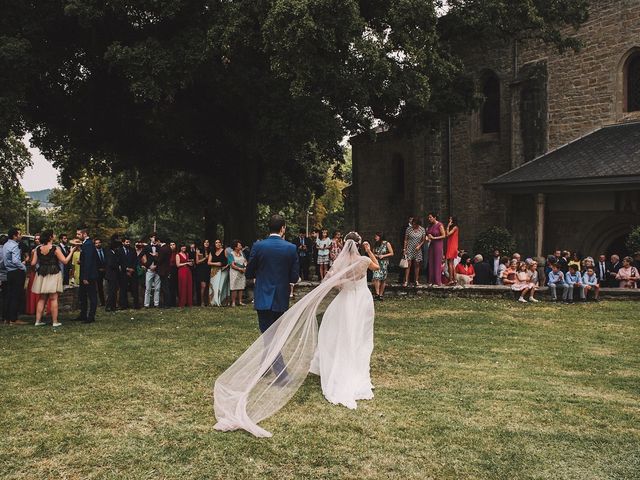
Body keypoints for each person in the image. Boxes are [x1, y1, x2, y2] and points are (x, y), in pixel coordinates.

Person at [214, 229, 378, 438]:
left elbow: (251, 272)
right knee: (355, 337)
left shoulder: (260, 246)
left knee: (271, 333)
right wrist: (368, 253)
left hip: (271, 295)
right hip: (357, 301)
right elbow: (295, 275)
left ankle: (272, 365)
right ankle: (276, 366)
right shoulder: (362, 260)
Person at [30, 230, 75, 327]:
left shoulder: (38, 248)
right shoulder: (55, 248)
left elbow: (33, 263)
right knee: (54, 298)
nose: (55, 235)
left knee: (42, 298)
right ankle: (55, 322)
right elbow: (65, 261)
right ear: (50, 237)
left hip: (41, 273)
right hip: (53, 273)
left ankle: (37, 321)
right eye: (53, 234)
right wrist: (71, 252)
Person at [3, 229, 28, 325]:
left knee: (9, 295)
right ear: (15, 236)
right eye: (19, 234)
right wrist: (23, 267)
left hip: (9, 272)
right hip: (17, 272)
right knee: (16, 295)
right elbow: (15, 261)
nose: (21, 236)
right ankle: (14, 319)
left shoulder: (5, 245)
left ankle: (7, 318)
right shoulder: (15, 245)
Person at [75, 227, 99, 323]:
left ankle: (91, 316)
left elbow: (89, 261)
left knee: (91, 296)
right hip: (85, 273)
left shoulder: (88, 244)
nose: (77, 236)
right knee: (82, 295)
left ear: (84, 234)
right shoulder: (86, 244)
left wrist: (85, 277)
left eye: (78, 234)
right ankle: (83, 314)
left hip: (89, 275)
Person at [403, 218, 426, 287]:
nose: (414, 225)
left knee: (417, 264)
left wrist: (419, 246)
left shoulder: (422, 229)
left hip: (417, 249)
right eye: (413, 224)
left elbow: (423, 240)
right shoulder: (408, 229)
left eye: (415, 224)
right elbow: (406, 240)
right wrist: (404, 249)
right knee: (408, 264)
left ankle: (416, 280)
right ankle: (406, 280)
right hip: (409, 248)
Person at [118, 238, 140, 310]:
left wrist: (132, 269)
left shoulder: (132, 250)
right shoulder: (119, 251)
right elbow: (119, 262)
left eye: (129, 242)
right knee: (123, 289)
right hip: (123, 273)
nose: (128, 243)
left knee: (134, 289)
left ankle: (136, 305)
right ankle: (123, 305)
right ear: (123, 242)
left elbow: (135, 260)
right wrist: (126, 269)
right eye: (127, 242)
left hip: (133, 273)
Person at [426, 213, 446, 286]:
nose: (429, 219)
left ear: (435, 217)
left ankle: (438, 281)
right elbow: (428, 235)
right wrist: (428, 238)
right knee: (431, 261)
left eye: (430, 217)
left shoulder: (439, 225)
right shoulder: (430, 226)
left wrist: (434, 238)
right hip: (431, 245)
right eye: (429, 217)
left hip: (438, 244)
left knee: (437, 262)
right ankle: (431, 280)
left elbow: (444, 235)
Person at [372, 232, 393, 300]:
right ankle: (377, 293)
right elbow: (373, 253)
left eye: (377, 236)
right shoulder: (376, 244)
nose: (375, 238)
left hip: (384, 262)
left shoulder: (387, 244)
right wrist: (376, 255)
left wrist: (383, 255)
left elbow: (391, 253)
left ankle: (381, 294)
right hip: (377, 262)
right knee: (376, 277)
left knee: (383, 278)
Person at [208, 239, 230, 306]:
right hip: (214, 271)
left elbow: (230, 260)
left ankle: (221, 301)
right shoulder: (212, 252)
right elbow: (208, 262)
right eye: (216, 243)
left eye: (219, 242)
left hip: (223, 270)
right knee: (214, 286)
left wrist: (225, 267)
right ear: (214, 244)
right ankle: (214, 302)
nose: (218, 244)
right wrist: (217, 263)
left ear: (221, 243)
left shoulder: (224, 251)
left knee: (221, 285)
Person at [142, 234, 161, 308]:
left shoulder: (159, 247)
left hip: (157, 269)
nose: (154, 239)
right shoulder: (147, 247)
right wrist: (148, 266)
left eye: (155, 238)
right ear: (150, 238)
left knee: (157, 288)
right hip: (149, 269)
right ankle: (146, 304)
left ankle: (156, 304)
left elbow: (162, 259)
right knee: (148, 288)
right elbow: (141, 256)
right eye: (153, 237)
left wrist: (156, 266)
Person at [104, 238, 121, 312]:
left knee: (114, 291)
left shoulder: (113, 253)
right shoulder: (110, 254)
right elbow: (111, 264)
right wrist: (118, 266)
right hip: (111, 275)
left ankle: (113, 306)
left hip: (114, 275)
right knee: (111, 291)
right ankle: (108, 306)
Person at [228, 240, 247, 307]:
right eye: (239, 245)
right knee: (234, 286)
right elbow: (232, 264)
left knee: (241, 286)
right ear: (235, 247)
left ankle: (240, 301)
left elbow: (245, 261)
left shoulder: (242, 253)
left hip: (242, 272)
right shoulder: (231, 254)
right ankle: (233, 302)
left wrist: (245, 267)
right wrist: (239, 269)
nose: (241, 246)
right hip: (234, 272)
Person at [196, 240, 212, 306]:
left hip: (208, 269)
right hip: (201, 269)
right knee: (203, 286)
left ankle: (207, 301)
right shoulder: (199, 250)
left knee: (208, 286)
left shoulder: (210, 250)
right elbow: (197, 262)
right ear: (203, 243)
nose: (206, 243)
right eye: (205, 242)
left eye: (208, 242)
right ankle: (202, 302)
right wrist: (205, 258)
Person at [445, 217, 459, 286]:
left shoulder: (455, 227)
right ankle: (454, 279)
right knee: (452, 263)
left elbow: (447, 234)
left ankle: (451, 279)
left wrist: (448, 226)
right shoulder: (455, 228)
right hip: (452, 245)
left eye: (450, 219)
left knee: (450, 263)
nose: (449, 220)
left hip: (452, 246)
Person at [94, 238, 107, 307]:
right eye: (96, 243)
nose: (98, 244)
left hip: (106, 271)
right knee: (99, 288)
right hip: (98, 272)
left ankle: (108, 300)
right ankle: (102, 302)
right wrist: (98, 269)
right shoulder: (94, 252)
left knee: (107, 287)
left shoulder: (105, 251)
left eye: (99, 242)